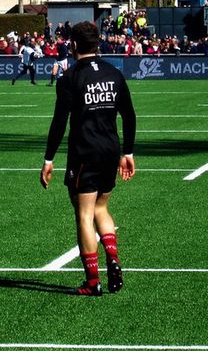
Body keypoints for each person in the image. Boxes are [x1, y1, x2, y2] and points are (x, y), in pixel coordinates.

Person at [40, 21, 136, 296]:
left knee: (83, 214)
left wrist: (48, 159)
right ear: (98, 44)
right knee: (101, 208)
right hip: (110, 149)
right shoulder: (114, 73)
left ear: (72, 45)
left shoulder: (69, 78)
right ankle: (113, 257)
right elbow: (129, 115)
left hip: (84, 151)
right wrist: (127, 153)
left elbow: (59, 122)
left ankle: (93, 281)